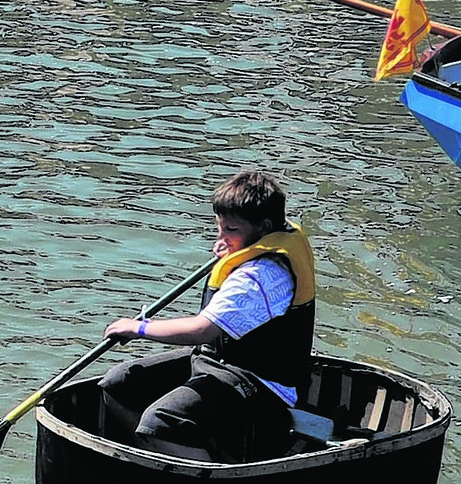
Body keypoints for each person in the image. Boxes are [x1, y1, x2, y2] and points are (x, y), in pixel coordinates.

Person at [91, 169, 319, 463]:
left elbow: (201, 330)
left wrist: (139, 328)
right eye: (220, 228)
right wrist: (235, 244)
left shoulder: (261, 275)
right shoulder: (264, 239)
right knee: (118, 384)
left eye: (231, 231)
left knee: (161, 423)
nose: (222, 238)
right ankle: (159, 461)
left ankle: (205, 482)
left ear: (263, 228)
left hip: (262, 384)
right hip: (218, 361)